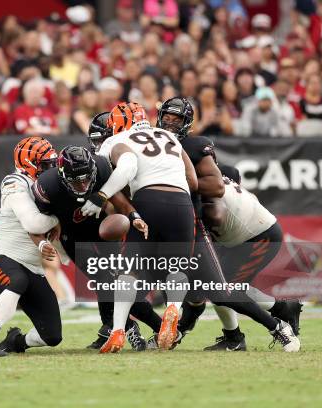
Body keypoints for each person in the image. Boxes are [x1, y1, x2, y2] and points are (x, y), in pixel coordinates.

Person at [156, 97, 301, 352]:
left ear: (187, 123)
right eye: (166, 117)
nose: (169, 123)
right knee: (213, 284)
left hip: (258, 234)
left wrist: (179, 182)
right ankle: (239, 333)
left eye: (176, 119)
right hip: (235, 234)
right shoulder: (167, 153)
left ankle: (273, 320)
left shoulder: (194, 151)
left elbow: (217, 202)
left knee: (222, 288)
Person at [82, 102, 198, 352]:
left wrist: (102, 195)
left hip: (147, 201)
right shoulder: (168, 136)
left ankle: (117, 332)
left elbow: (127, 167)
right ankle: (173, 309)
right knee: (177, 269)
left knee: (129, 272)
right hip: (181, 202)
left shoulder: (117, 140)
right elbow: (193, 180)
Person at [33, 144, 152, 352]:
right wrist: (52, 229)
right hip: (72, 234)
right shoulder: (46, 185)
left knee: (114, 283)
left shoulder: (102, 167)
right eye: (76, 180)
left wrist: (134, 217)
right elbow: (39, 219)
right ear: (62, 175)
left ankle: (137, 326)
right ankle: (131, 326)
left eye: (86, 178)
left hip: (103, 228)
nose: (82, 184)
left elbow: (119, 200)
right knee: (103, 282)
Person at [199, 164, 303, 351]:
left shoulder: (203, 184)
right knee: (219, 286)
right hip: (238, 238)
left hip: (257, 237)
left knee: (225, 290)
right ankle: (235, 337)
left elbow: (217, 215)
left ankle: (278, 325)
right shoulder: (211, 177)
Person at [0, 136, 61, 356]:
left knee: (51, 336)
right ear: (28, 164)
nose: (51, 169)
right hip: (5, 258)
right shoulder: (15, 182)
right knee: (16, 280)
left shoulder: (51, 185)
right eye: (45, 164)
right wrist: (60, 219)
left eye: (53, 163)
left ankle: (15, 342)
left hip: (34, 267)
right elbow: (33, 223)